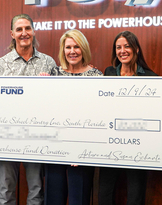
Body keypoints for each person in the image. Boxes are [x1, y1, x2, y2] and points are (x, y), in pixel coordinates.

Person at [0, 13, 56, 205]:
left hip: (37, 135)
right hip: (6, 136)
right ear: (12, 33)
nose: (24, 33)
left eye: (27, 28)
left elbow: (56, 101)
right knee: (6, 189)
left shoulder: (48, 63)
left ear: (34, 31)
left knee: (36, 188)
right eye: (19, 29)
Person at [41, 29, 102, 205]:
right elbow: (46, 110)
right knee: (53, 198)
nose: (72, 51)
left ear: (83, 49)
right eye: (68, 47)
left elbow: (98, 115)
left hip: (83, 151)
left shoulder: (96, 76)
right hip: (55, 147)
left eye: (77, 46)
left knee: (79, 199)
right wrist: (41, 86)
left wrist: (79, 148)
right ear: (63, 49)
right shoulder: (53, 74)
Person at [98, 31, 156, 205]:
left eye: (127, 46)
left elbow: (154, 112)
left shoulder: (150, 77)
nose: (122, 51)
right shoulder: (108, 73)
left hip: (137, 143)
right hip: (111, 142)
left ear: (136, 49)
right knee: (104, 192)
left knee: (136, 194)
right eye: (118, 47)